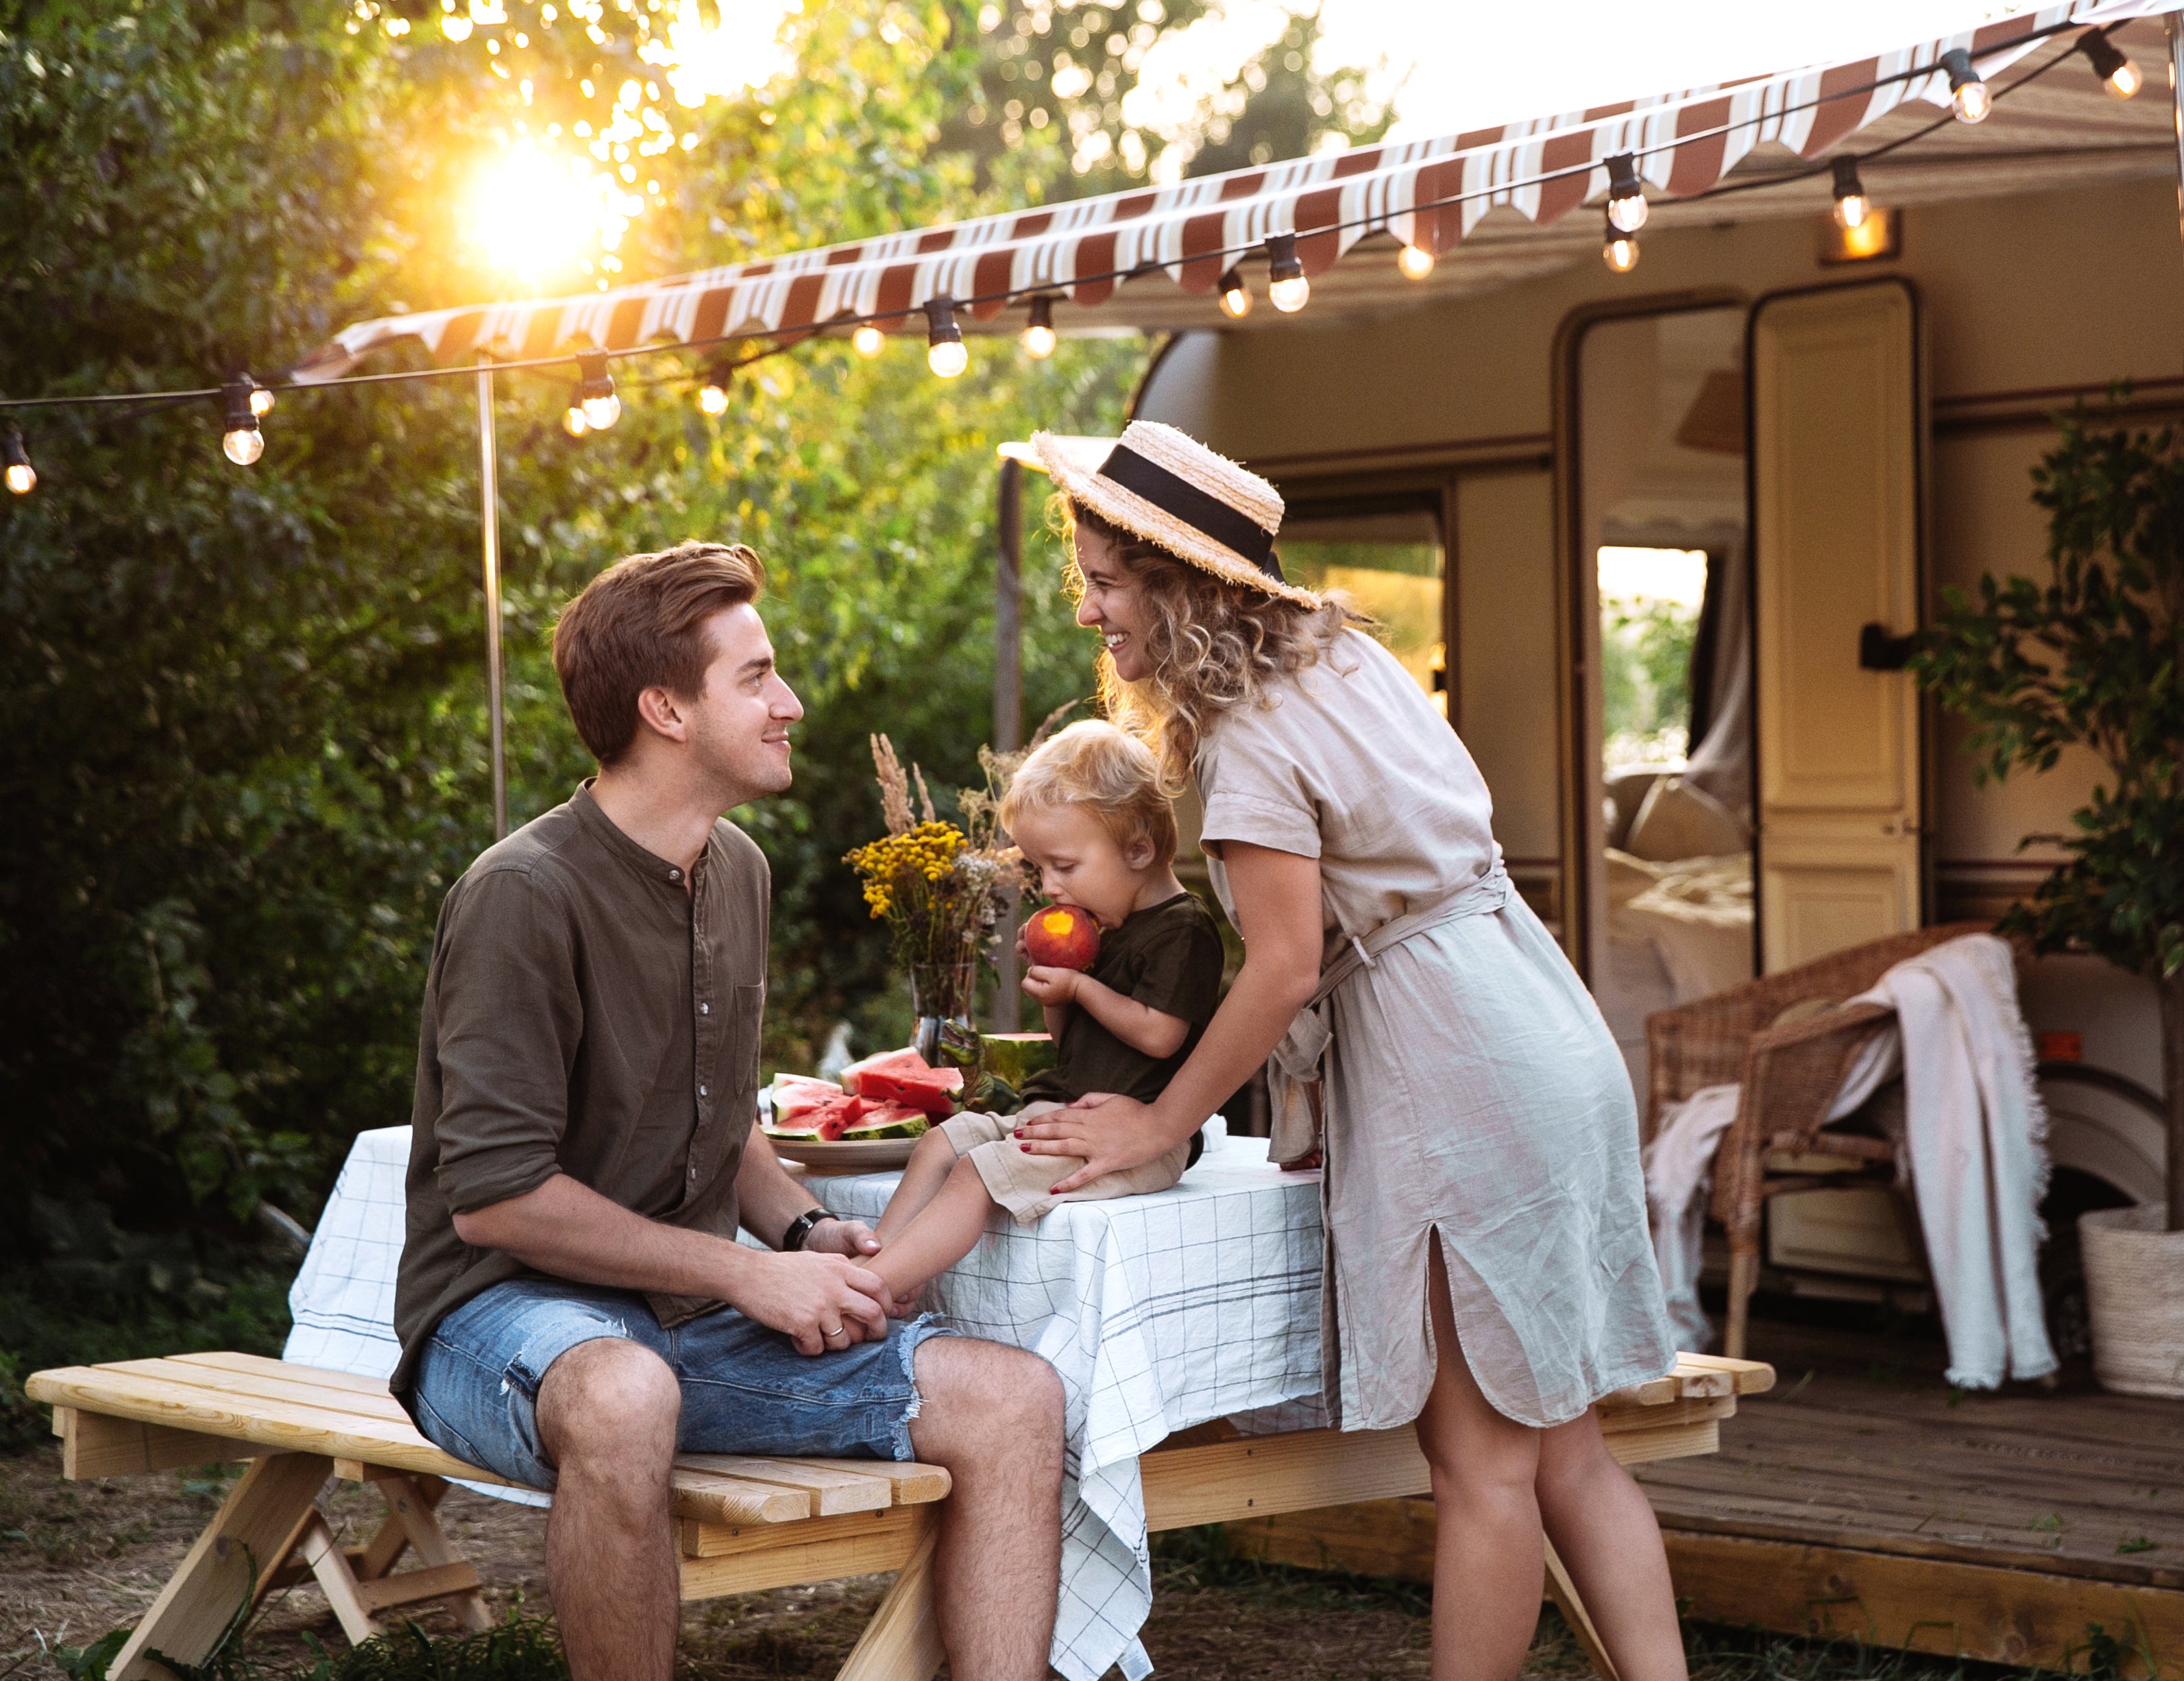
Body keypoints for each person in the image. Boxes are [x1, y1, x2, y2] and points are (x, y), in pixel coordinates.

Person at [1005, 424, 1688, 1681]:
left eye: (1104, 578)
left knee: (1481, 1464)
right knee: (1567, 1446)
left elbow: (1279, 963)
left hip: (1456, 1056)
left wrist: (1161, 1124)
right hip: (1536, 1010)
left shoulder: (1248, 733)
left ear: (1175, 580)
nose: (1087, 607)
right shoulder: (1339, 656)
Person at [392, 541, 1061, 1681]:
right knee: (620, 1392)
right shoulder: (521, 895)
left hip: (680, 1318)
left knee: (1012, 1397)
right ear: (663, 707)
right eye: (754, 677)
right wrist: (748, 1275)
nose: (788, 703)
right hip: (498, 1320)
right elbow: (498, 1202)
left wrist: (801, 1232)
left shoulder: (735, 868)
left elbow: (719, 1122)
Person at [870, 719, 1224, 1300]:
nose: (1049, 887)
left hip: (1137, 1138)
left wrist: (1081, 989)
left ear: (1138, 848)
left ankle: (870, 1291)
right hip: (1063, 1115)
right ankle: (875, 1260)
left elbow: (1161, 1037)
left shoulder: (1182, 930)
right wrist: (1056, 990)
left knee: (976, 1172)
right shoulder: (1102, 929)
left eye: (1064, 866)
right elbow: (1070, 1045)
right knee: (942, 1142)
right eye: (1039, 869)